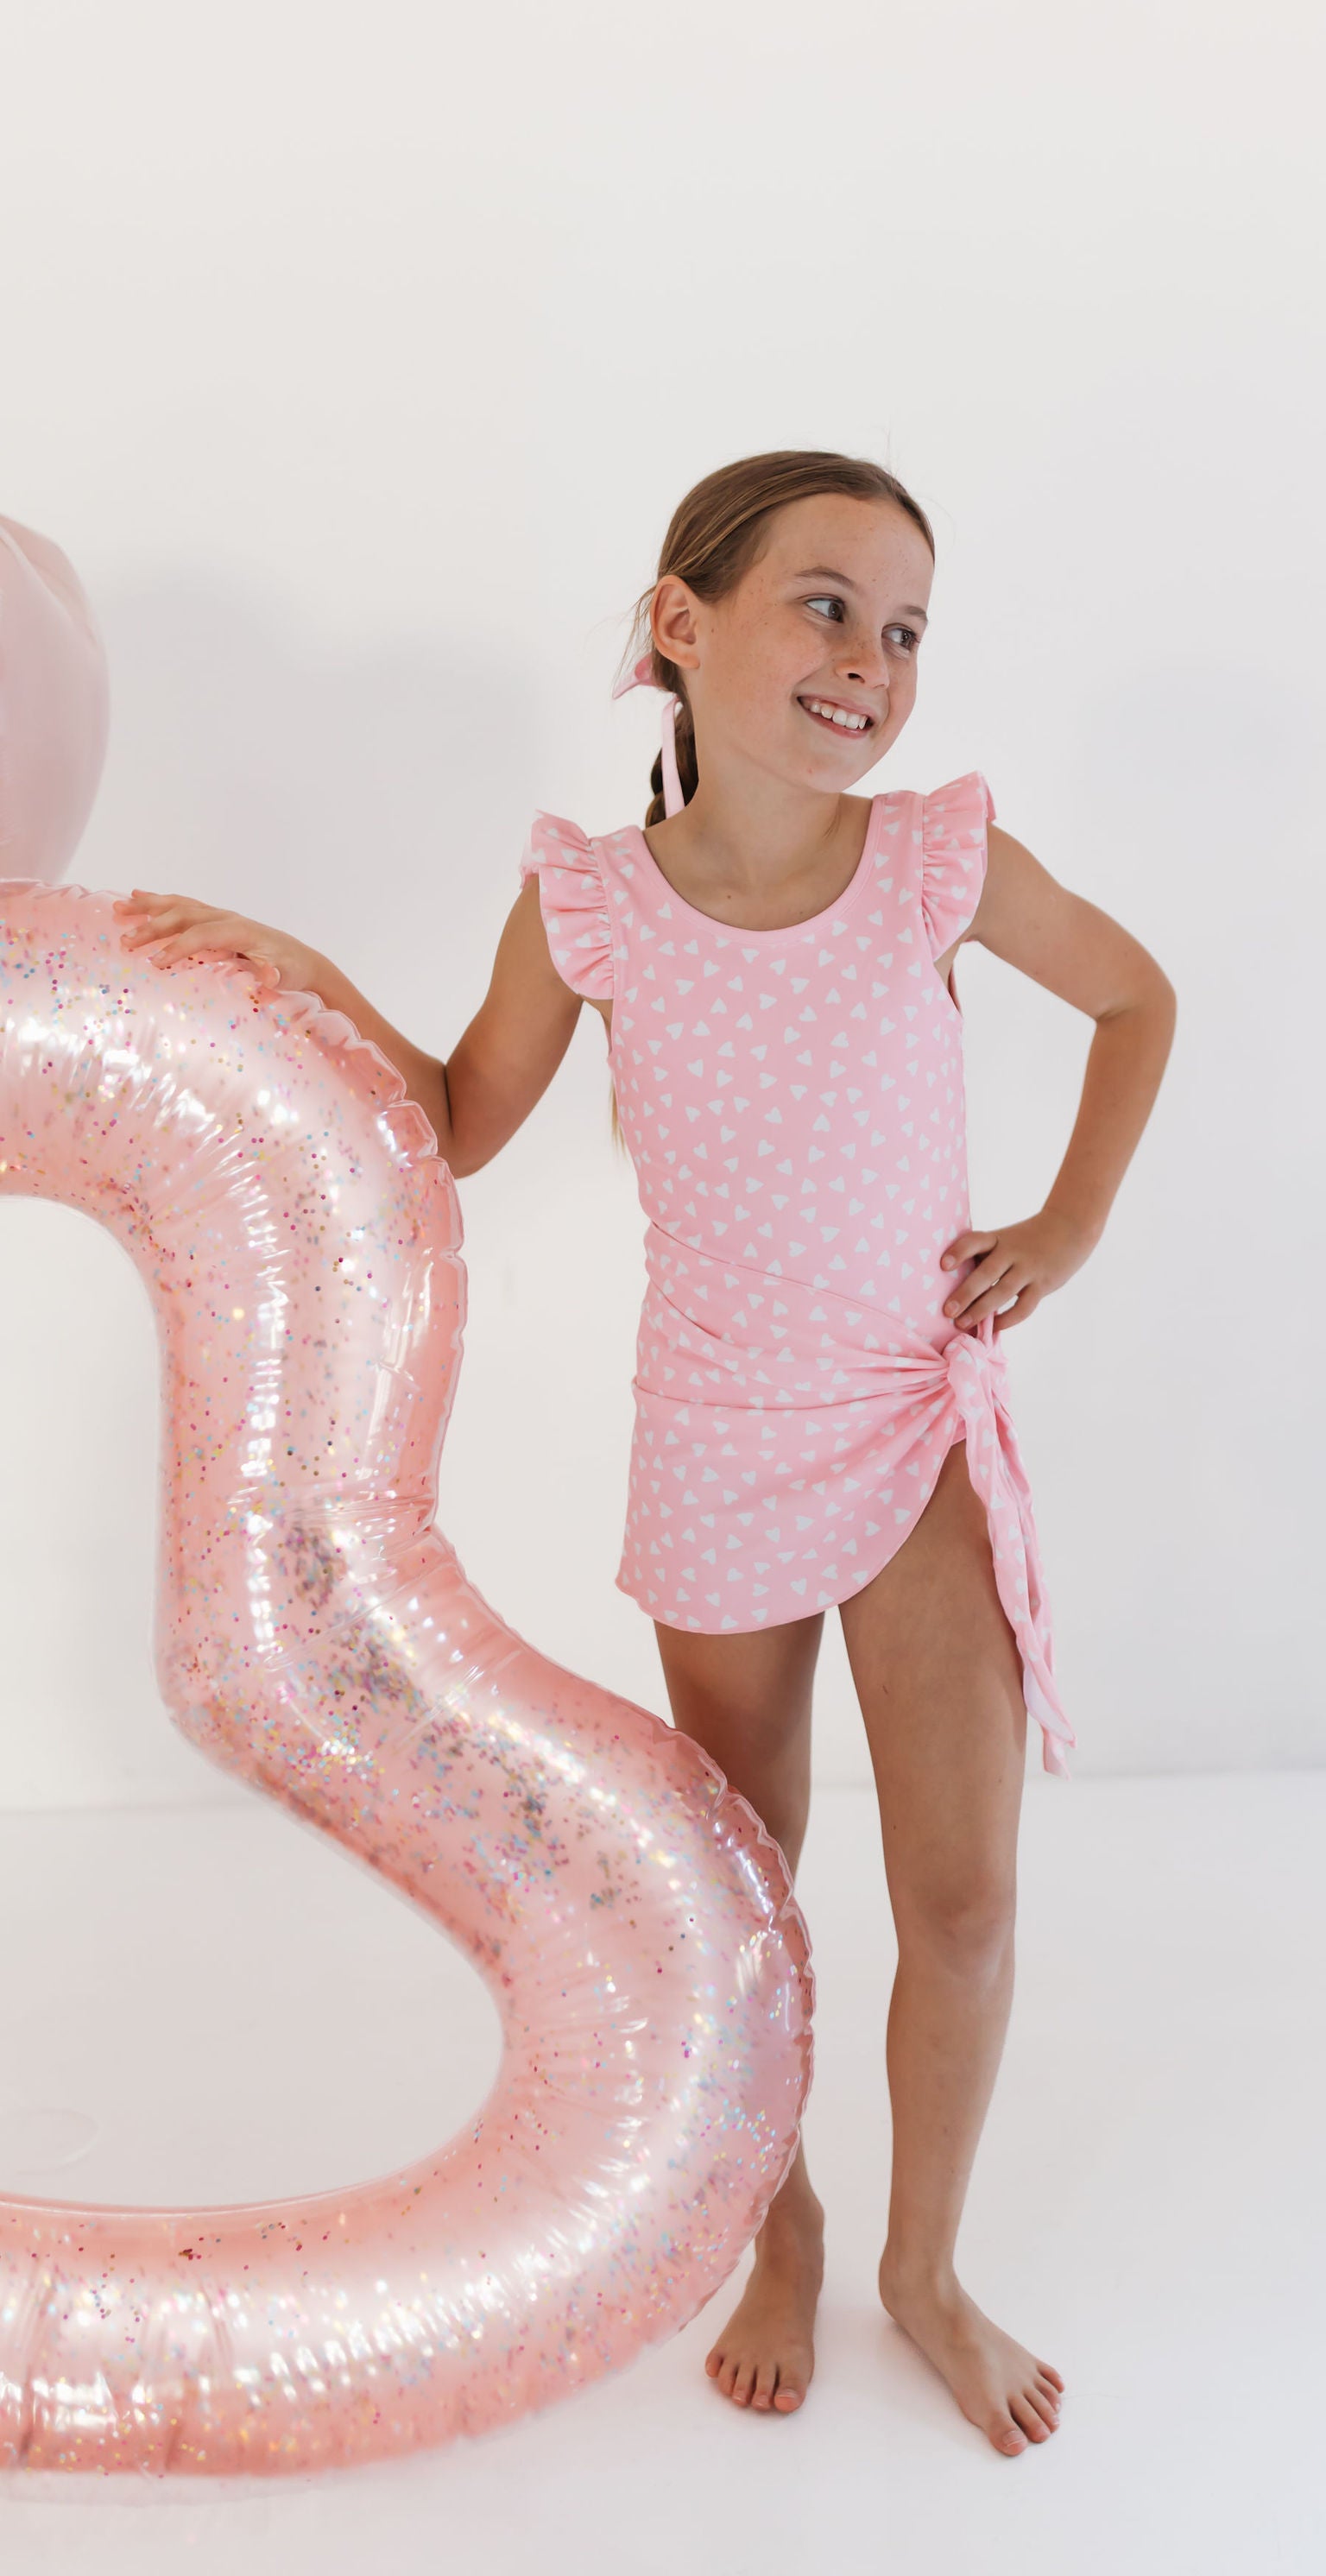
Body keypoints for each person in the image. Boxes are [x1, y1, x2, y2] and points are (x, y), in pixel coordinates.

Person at [116, 449, 1176, 2458]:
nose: (869, 660)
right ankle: (780, 2225)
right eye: (824, 605)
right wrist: (301, 971)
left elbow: (1136, 997)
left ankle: (923, 2270)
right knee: (740, 1899)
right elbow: (451, 1121)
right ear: (683, 625)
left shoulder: (938, 861)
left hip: (907, 1414)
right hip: (716, 1438)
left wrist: (1066, 1225)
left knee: (961, 1899)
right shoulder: (592, 904)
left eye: (904, 627)